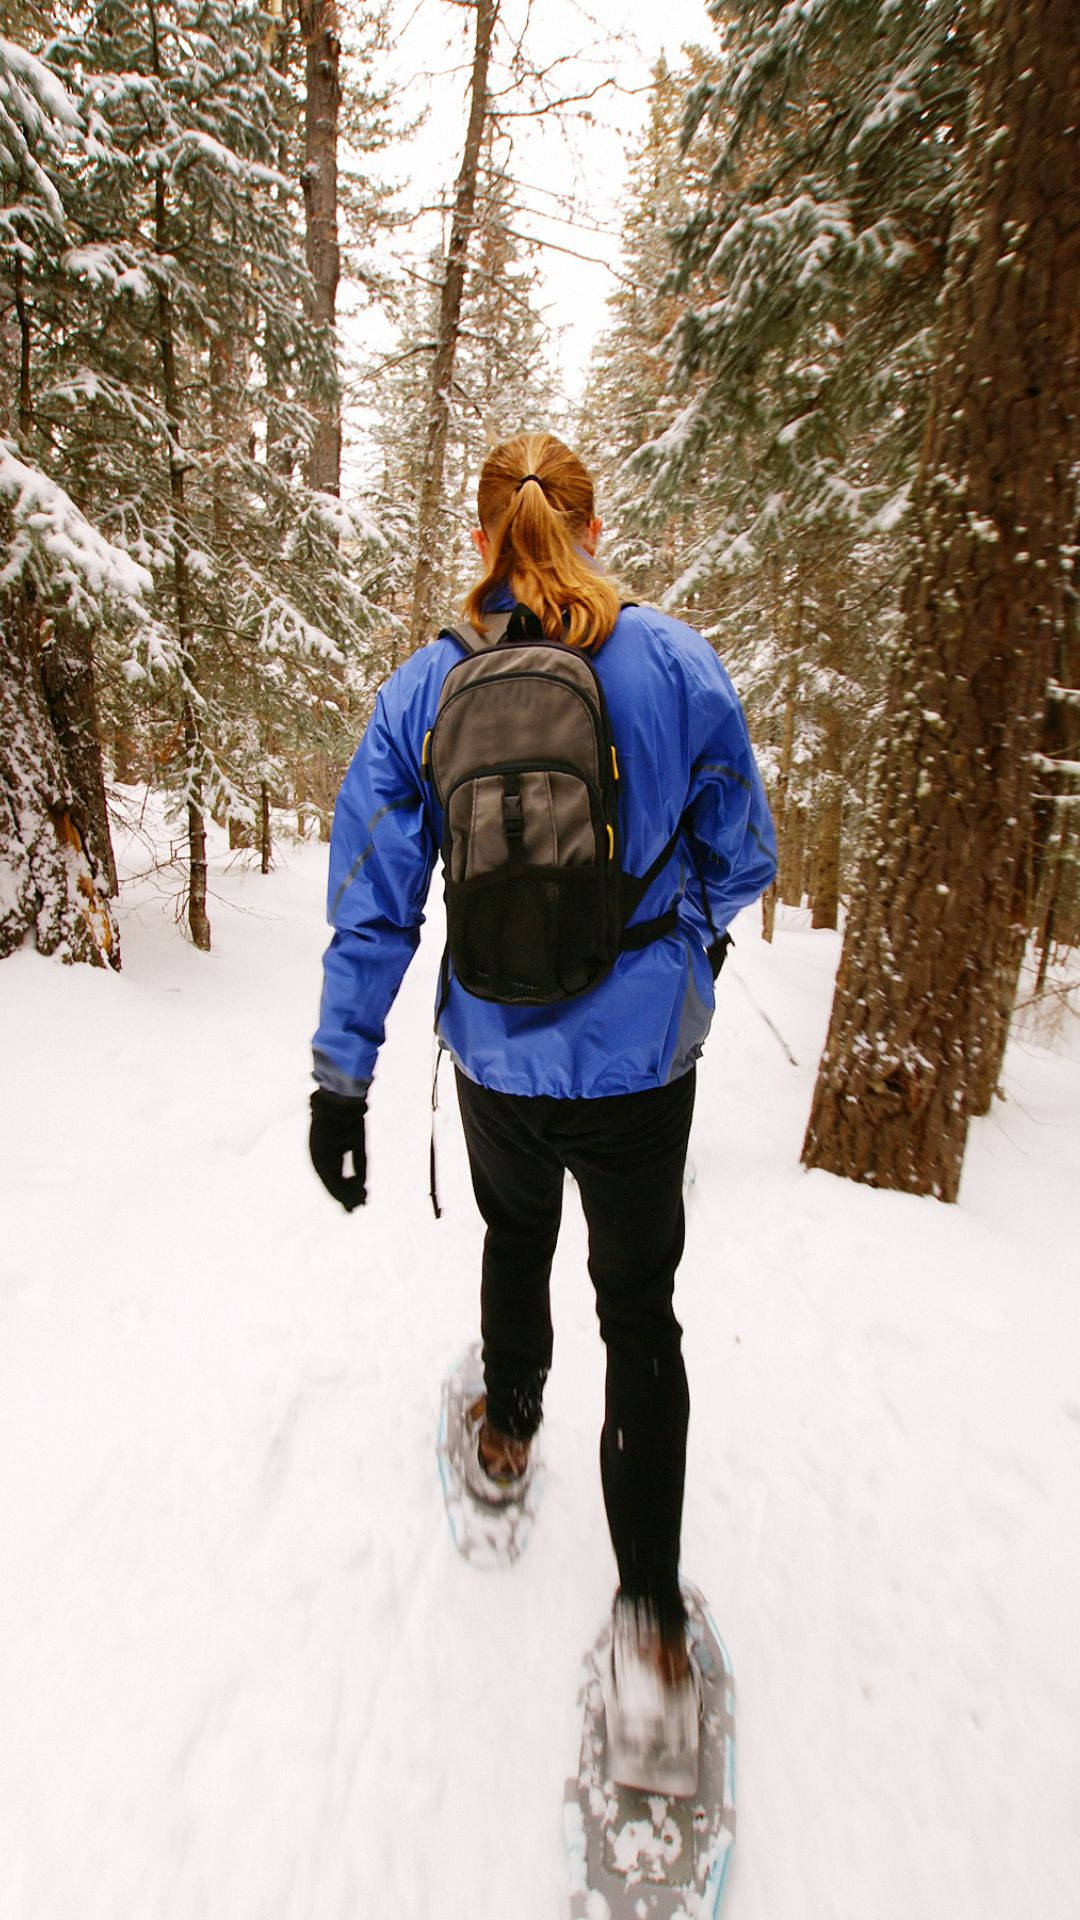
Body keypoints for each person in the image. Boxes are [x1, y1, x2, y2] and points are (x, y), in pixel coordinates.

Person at [309, 432, 776, 1792]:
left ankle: (506, 1437)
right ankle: (648, 1636)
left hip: (496, 1060)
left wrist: (344, 1075)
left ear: (481, 542)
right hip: (643, 1068)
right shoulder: (676, 664)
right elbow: (743, 856)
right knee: (640, 1310)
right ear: (588, 522)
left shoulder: (426, 688)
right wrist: (678, 940)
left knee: (514, 1245)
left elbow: (375, 899)